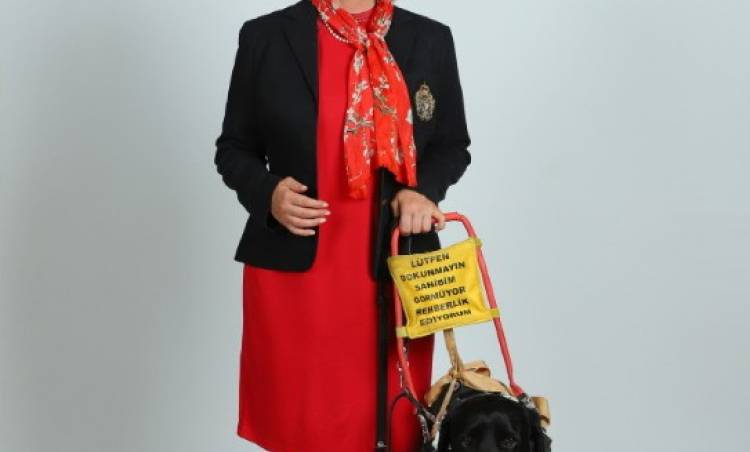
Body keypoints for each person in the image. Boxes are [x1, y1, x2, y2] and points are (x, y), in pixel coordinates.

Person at [213, 0, 471, 450]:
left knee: (393, 424)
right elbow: (234, 148)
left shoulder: (429, 39)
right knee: (302, 426)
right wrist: (268, 193)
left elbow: (452, 146)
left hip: (396, 268)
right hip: (297, 275)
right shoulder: (266, 37)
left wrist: (422, 191)